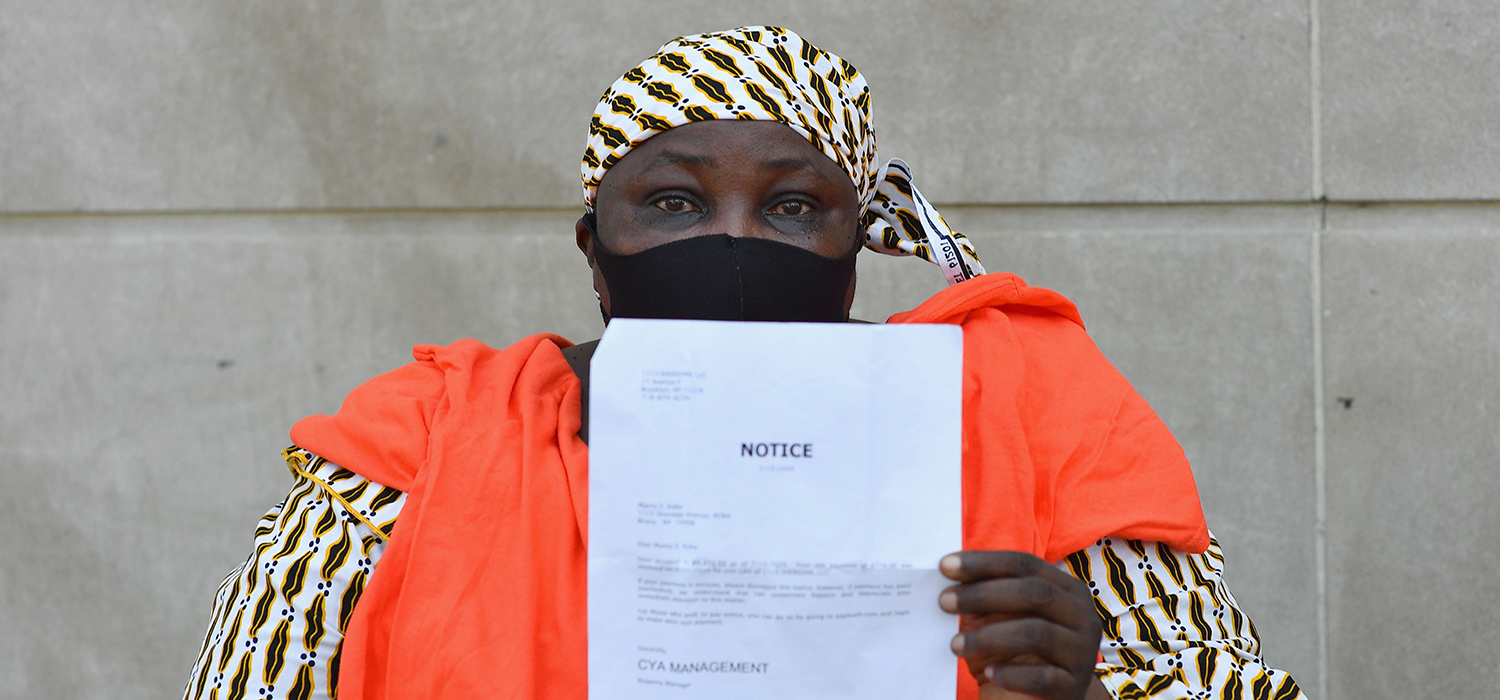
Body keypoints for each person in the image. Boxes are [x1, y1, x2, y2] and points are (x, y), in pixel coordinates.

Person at [185, 27, 1303, 700]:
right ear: (594, 251)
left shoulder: (1028, 410)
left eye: (792, 205)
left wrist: (1095, 680)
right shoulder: (428, 437)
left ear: (853, 260)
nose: (733, 242)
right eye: (673, 200)